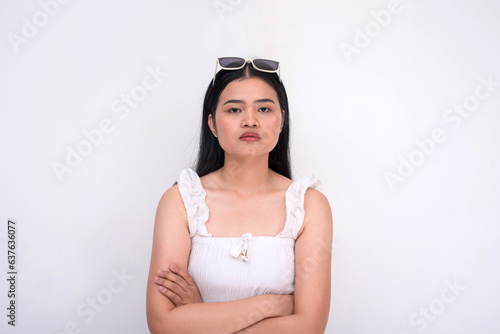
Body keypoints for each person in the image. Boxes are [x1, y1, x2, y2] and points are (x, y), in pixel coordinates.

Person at [146, 57, 333, 333]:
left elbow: (309, 327)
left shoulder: (308, 205)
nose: (250, 121)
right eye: (234, 110)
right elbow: (163, 324)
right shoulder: (181, 201)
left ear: (282, 120)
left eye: (264, 109)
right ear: (212, 123)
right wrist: (271, 304)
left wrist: (199, 315)